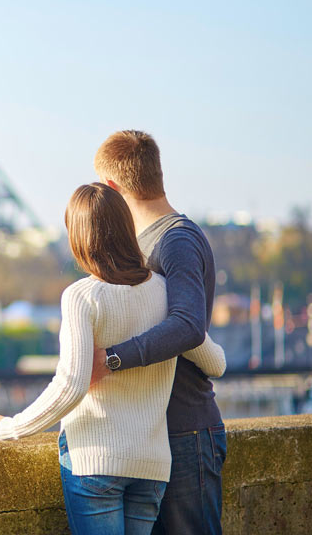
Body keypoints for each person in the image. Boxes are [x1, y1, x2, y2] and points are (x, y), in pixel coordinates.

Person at [0, 182, 225, 535]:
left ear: (79, 239)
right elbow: (216, 363)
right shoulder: (164, 292)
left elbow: (71, 385)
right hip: (151, 467)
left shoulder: (81, 296)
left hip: (95, 461)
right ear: (125, 228)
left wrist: (9, 427)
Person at [89, 130, 226, 535]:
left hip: (184, 430)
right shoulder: (148, 242)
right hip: (156, 434)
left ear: (112, 187)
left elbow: (188, 325)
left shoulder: (176, 241)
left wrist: (112, 358)